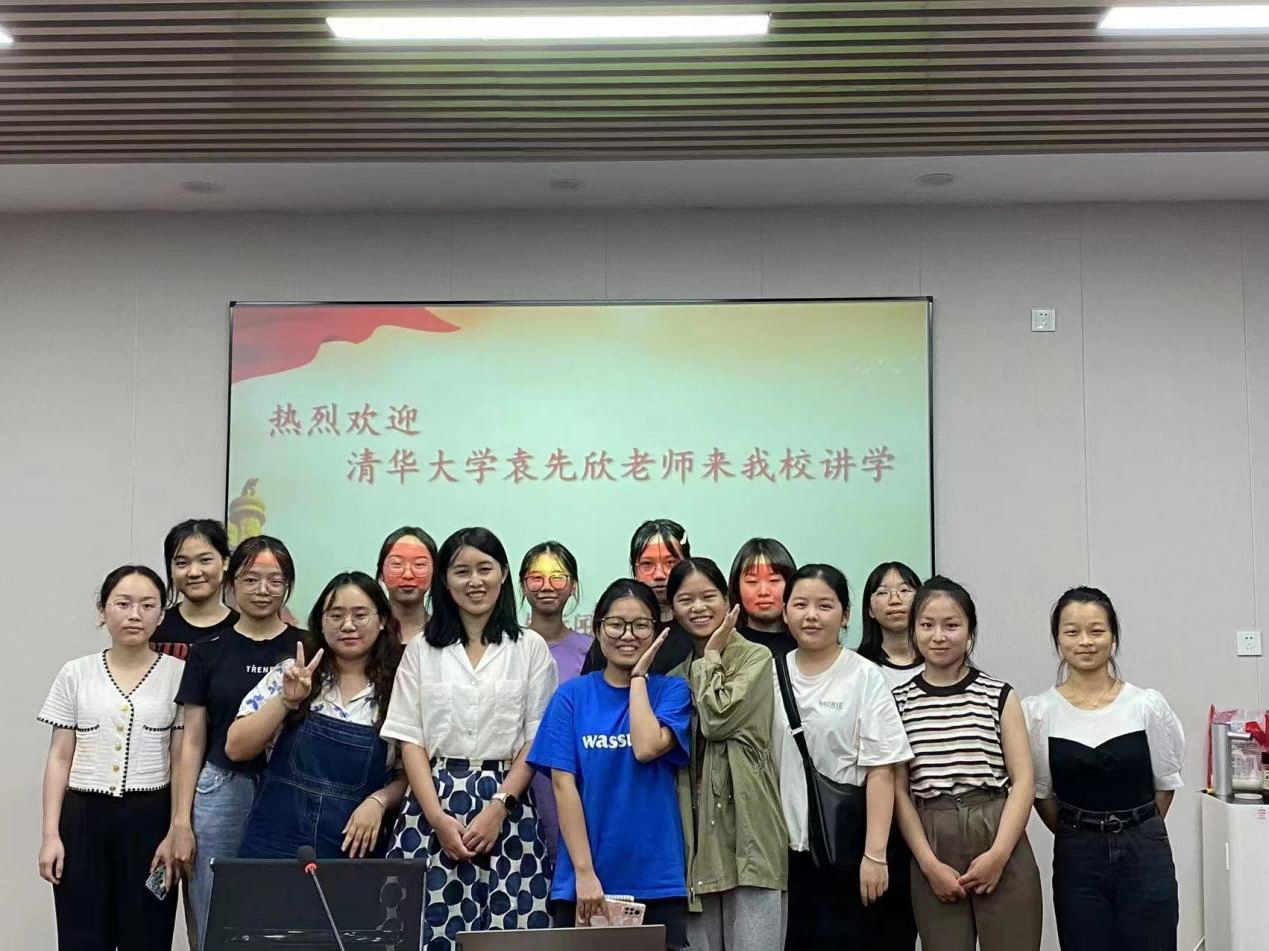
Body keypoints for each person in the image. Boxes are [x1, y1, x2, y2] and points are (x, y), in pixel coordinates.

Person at [382, 527, 557, 951]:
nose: (474, 581)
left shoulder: (530, 647)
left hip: (508, 806)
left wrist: (498, 808)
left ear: (503, 575)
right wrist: (438, 818)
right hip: (432, 805)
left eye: (485, 569)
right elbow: (410, 740)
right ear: (444, 581)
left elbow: (535, 739)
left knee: (510, 934)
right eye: (462, 571)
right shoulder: (421, 649)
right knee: (423, 932)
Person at [528, 579, 693, 949]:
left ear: (657, 631)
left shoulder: (672, 691)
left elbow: (647, 748)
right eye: (616, 624)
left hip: (656, 881)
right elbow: (563, 787)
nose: (628, 635)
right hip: (584, 882)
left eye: (641, 625)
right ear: (598, 628)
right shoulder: (572, 696)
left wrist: (638, 679)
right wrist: (585, 874)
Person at [1024, 587, 1183, 951]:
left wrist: (1133, 828)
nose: (1085, 642)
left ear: (1113, 637)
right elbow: (1042, 795)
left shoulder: (1146, 705)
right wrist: (1084, 830)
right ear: (1058, 640)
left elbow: (1165, 784)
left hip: (1145, 848)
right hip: (1077, 853)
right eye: (1072, 632)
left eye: (1096, 631)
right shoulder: (1039, 712)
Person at [38, 565, 186, 951]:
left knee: (148, 933)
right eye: (122, 604)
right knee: (81, 935)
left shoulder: (179, 675)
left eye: (147, 605)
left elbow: (181, 759)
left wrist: (175, 830)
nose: (134, 615)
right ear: (103, 609)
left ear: (161, 615)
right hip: (83, 821)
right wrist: (51, 835)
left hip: (151, 821)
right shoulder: (75, 673)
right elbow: (59, 757)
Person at [892, 577, 1042, 951]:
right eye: (927, 625)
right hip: (931, 837)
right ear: (913, 631)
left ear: (970, 631)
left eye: (952, 625)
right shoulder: (897, 702)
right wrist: (928, 865)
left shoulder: (999, 695)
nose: (939, 636)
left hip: (998, 832)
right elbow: (898, 793)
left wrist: (999, 855)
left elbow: (1024, 781)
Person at [170, 536, 305, 945]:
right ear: (231, 584)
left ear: (287, 586)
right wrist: (181, 822)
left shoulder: (307, 646)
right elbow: (192, 741)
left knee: (285, 912)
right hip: (221, 788)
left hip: (289, 790)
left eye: (275, 581)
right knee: (214, 910)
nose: (263, 590)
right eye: (250, 580)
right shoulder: (207, 651)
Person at [774, 564, 912, 951]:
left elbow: (882, 770)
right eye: (800, 604)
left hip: (847, 851)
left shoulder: (865, 676)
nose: (811, 615)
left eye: (825, 605)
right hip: (786, 854)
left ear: (845, 615)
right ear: (785, 612)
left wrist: (875, 855)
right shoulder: (770, 674)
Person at [228, 571, 408, 859]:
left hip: (352, 848)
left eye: (360, 615)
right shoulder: (291, 674)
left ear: (382, 620)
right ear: (321, 623)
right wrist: (287, 700)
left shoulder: (401, 688)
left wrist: (380, 801)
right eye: (336, 615)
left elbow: (410, 773)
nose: (347, 625)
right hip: (274, 843)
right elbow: (236, 748)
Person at [662, 557, 788, 951]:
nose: (698, 608)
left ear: (727, 600)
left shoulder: (755, 657)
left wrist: (712, 657)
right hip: (696, 838)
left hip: (749, 830)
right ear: (673, 609)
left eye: (708, 597)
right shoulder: (674, 677)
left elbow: (717, 719)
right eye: (686, 600)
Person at [519, 540, 593, 870]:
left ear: (573, 586)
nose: (547, 586)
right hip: (516, 784)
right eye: (536, 578)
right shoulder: (507, 647)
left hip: (573, 782)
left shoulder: (592, 650)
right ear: (523, 586)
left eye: (558, 577)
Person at [583, 518, 693, 675]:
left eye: (670, 563)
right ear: (634, 569)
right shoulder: (614, 634)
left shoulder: (699, 624)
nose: (659, 575)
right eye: (647, 564)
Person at [151, 518, 238, 660]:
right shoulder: (153, 627)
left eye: (205, 560)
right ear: (171, 569)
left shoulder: (242, 629)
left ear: (225, 562)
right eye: (182, 563)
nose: (194, 572)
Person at [857, 562, 924, 690]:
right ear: (870, 609)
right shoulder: (859, 668)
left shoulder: (939, 661)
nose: (895, 600)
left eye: (904, 590)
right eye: (882, 593)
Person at [727, 537, 797, 658]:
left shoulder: (806, 643)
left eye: (774, 580)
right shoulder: (725, 644)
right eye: (752, 581)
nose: (763, 592)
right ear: (736, 587)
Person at [377, 525, 438, 645]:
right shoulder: (367, 635)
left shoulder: (446, 634)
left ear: (435, 573)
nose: (408, 575)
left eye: (419, 564)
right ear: (381, 574)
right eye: (397, 564)